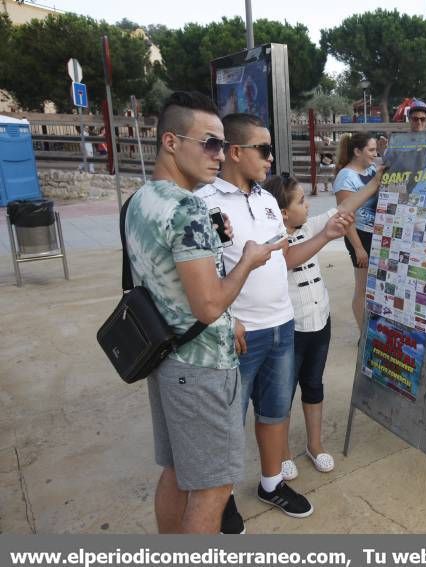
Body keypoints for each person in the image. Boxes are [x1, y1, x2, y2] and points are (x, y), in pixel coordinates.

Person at [125, 91, 275, 533]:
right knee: (212, 488)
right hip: (203, 365)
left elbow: (162, 273)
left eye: (223, 143)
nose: (219, 154)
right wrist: (248, 259)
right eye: (209, 143)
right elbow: (209, 306)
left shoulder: (143, 199)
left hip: (166, 356)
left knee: (175, 473)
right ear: (171, 142)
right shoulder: (188, 208)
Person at [197, 113, 353, 531]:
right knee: (228, 421)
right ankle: (223, 496)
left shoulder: (267, 200)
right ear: (235, 152)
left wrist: (324, 237)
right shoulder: (205, 204)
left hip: (283, 327)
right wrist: (226, 321)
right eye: (263, 150)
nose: (271, 158)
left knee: (274, 412)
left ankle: (271, 483)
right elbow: (201, 275)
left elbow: (281, 258)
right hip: (240, 334)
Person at [265, 169, 384, 479]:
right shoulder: (274, 240)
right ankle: (282, 452)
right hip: (293, 328)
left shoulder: (308, 225)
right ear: (283, 212)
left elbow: (344, 209)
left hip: (320, 322)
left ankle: (314, 445)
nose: (308, 206)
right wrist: (325, 235)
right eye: (302, 201)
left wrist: (374, 183)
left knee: (314, 385)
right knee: (284, 391)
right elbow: (289, 259)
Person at [332, 132, 380, 332]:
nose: (375, 154)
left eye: (376, 150)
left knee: (375, 287)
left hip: (376, 234)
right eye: (371, 150)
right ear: (357, 151)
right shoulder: (345, 176)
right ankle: (364, 335)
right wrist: (358, 248)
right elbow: (346, 215)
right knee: (362, 288)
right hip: (359, 235)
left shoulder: (372, 170)